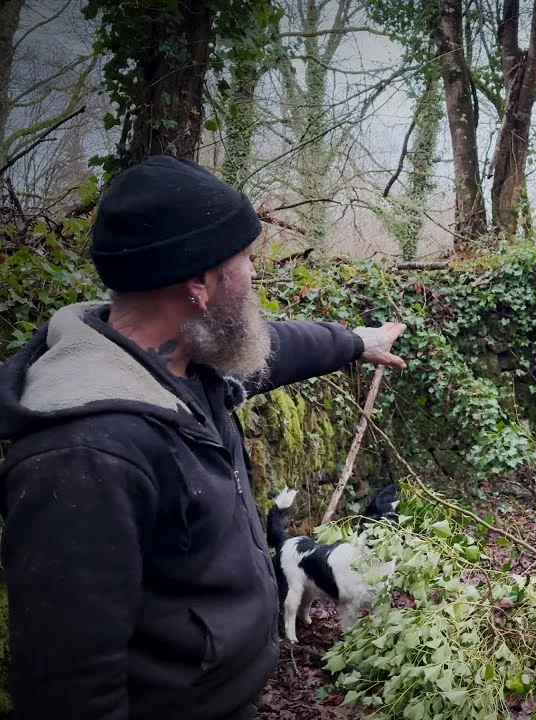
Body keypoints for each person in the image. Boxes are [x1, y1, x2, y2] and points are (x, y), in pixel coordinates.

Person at [0, 155, 407, 720]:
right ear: (199, 284)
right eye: (245, 260)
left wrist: (357, 342)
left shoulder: (180, 364)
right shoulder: (86, 455)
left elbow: (279, 348)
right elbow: (70, 688)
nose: (254, 276)